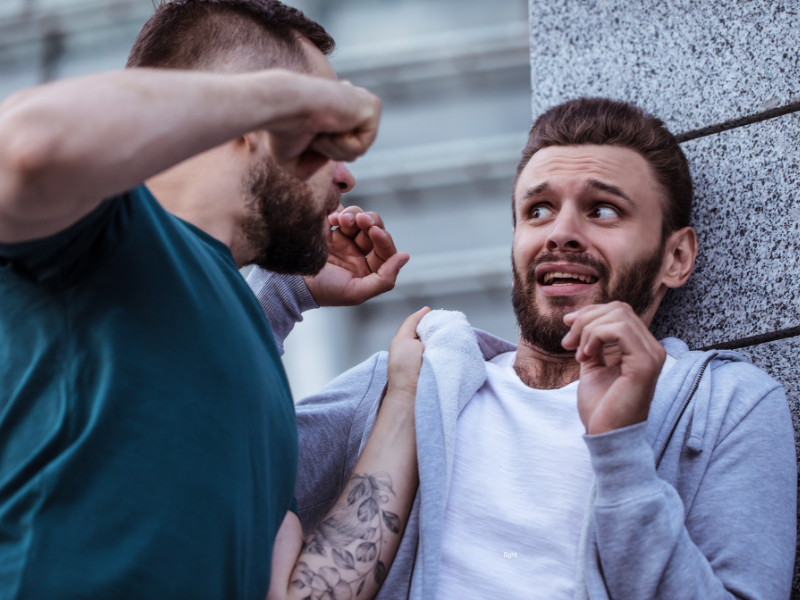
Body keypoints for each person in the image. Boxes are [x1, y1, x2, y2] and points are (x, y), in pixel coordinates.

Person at [250, 97, 798, 599]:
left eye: (603, 210)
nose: (560, 232)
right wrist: (282, 290)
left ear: (676, 256)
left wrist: (622, 453)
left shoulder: (727, 406)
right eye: (537, 210)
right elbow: (213, 472)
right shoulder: (413, 377)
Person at [0, 1, 422, 598]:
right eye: (319, 135)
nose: (346, 174)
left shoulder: (260, 368)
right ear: (249, 120)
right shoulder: (106, 228)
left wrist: (399, 392)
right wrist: (276, 95)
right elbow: (24, 146)